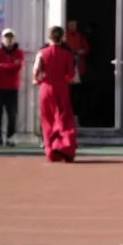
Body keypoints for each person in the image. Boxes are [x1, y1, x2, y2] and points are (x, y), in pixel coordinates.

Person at [32, 26, 77, 162]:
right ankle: (66, 147)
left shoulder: (41, 53)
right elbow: (71, 75)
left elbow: (35, 70)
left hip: (46, 88)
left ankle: (51, 150)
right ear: (62, 38)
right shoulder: (67, 54)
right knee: (64, 119)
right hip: (61, 88)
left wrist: (37, 80)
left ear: (49, 37)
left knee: (48, 120)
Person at [0, 29, 24, 147]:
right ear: (2, 39)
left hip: (12, 88)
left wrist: (1, 66)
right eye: (6, 37)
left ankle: (11, 137)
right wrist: (10, 66)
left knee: (12, 114)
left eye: (11, 38)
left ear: (14, 39)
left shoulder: (19, 53)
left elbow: (18, 67)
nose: (9, 40)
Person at [64, 20, 89, 123]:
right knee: (67, 94)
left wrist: (81, 52)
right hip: (67, 71)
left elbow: (86, 49)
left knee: (77, 94)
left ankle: (76, 117)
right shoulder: (64, 36)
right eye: (71, 25)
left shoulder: (80, 36)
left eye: (74, 25)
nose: (73, 27)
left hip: (79, 69)